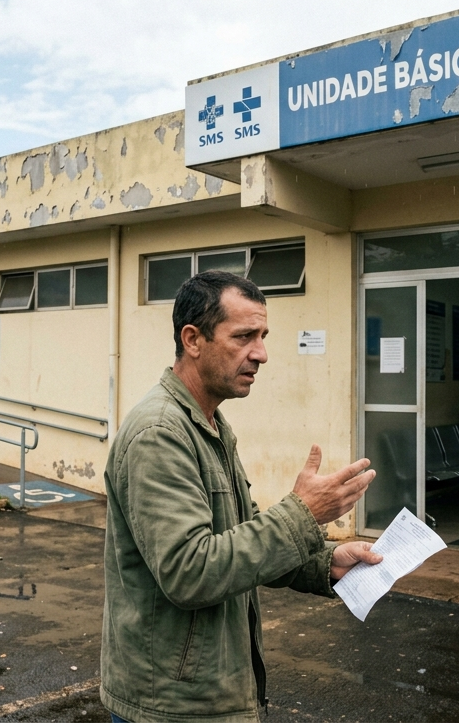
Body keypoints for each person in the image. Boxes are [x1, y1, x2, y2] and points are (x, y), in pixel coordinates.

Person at [101, 271, 382, 723]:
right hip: (170, 707)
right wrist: (303, 514)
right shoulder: (159, 434)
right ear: (192, 339)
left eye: (263, 336)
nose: (262, 354)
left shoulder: (209, 422)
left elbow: (239, 538)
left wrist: (323, 563)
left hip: (208, 695)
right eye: (244, 336)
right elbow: (189, 571)